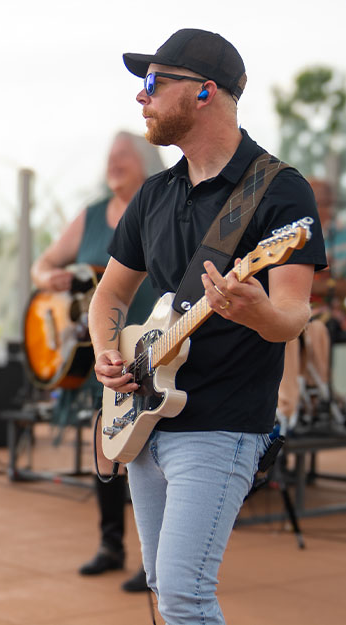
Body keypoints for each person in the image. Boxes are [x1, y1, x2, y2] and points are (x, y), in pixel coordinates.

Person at [88, 29, 327, 624]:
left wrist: (258, 310)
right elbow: (109, 297)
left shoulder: (280, 191)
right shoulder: (154, 194)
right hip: (145, 415)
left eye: (153, 82)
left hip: (222, 424)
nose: (141, 97)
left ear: (204, 92)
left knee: (185, 594)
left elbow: (293, 317)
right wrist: (105, 354)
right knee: (162, 582)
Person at [31, 131, 164, 593]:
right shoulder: (89, 216)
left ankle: (155, 561)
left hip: (155, 349)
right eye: (110, 156)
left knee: (148, 451)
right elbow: (44, 262)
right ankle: (111, 545)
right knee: (107, 445)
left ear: (147, 160)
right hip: (100, 354)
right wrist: (50, 277)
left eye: (124, 155)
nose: (115, 162)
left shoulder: (160, 207)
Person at [278, 178, 346, 431]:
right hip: (296, 304)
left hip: (328, 310)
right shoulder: (294, 232)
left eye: (318, 203)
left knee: (312, 326)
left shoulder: (340, 234)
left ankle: (311, 399)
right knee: (288, 329)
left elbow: (341, 288)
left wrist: (312, 283)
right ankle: (298, 401)